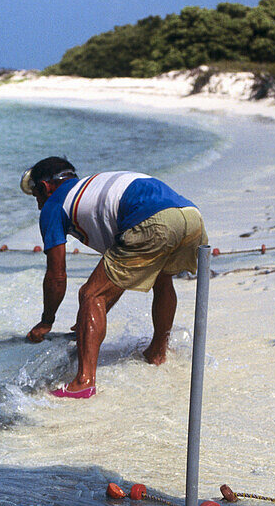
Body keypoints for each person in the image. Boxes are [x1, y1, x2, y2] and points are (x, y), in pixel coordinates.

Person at [22, 156, 207, 399]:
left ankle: (84, 381)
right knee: (162, 280)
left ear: (46, 187)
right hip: (190, 216)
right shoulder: (94, 188)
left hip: (153, 220)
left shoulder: (54, 205)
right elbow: (120, 271)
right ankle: (158, 352)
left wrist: (46, 321)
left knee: (90, 294)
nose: (38, 205)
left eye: (36, 196)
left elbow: (57, 275)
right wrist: (91, 317)